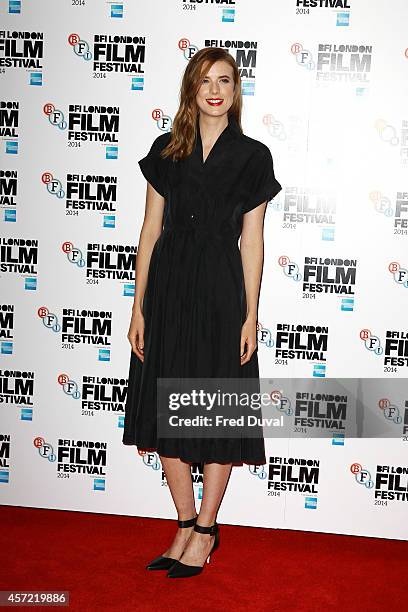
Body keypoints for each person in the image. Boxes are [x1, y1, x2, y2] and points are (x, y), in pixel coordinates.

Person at [123, 47, 282, 578]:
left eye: (225, 80)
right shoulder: (166, 150)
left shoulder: (254, 156)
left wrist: (250, 316)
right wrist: (138, 306)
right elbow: (149, 232)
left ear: (236, 91)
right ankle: (185, 522)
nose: (215, 89)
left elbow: (253, 243)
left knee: (213, 410)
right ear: (190, 89)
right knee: (164, 408)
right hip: (167, 290)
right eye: (204, 80)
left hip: (220, 293)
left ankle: (208, 528)